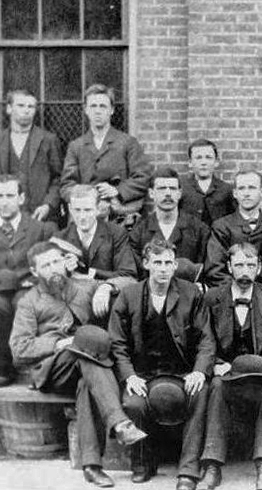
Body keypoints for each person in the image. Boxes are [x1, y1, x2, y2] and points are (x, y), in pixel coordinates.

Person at [10, 241, 146, 488]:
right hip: (54, 371)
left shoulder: (85, 288)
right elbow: (19, 349)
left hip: (89, 367)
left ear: (65, 261)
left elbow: (131, 282)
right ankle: (119, 422)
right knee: (88, 346)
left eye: (56, 261)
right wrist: (58, 344)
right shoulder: (29, 302)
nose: (53, 269)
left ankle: (92, 467)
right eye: (46, 265)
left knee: (87, 375)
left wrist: (106, 285)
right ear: (34, 271)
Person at [108, 239, 215, 490]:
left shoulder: (191, 293)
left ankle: (188, 470)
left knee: (200, 395)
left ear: (175, 265)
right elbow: (117, 343)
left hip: (182, 371)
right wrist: (130, 376)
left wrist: (199, 371)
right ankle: (143, 462)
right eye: (158, 263)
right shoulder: (129, 295)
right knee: (133, 402)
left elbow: (206, 339)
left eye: (169, 263)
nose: (164, 269)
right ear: (146, 265)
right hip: (143, 373)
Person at [197, 243, 262, 490]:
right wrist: (215, 364)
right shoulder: (212, 299)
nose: (244, 271)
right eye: (238, 265)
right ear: (228, 268)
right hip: (226, 372)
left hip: (260, 372)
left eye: (250, 265)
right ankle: (212, 465)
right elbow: (204, 340)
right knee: (215, 386)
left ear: (258, 268)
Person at [61, 84, 153, 225]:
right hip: (85, 218)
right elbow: (67, 186)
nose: (98, 111)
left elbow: (143, 178)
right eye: (93, 106)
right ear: (86, 110)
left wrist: (117, 191)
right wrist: (89, 195)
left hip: (119, 217)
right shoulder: (76, 146)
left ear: (112, 110)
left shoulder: (128, 143)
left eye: (103, 106)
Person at [0, 174, 56, 386]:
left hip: (31, 289)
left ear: (21, 198)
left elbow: (49, 261)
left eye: (9, 195)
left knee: (25, 303)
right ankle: (3, 368)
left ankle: (36, 370)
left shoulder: (39, 229)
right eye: (0, 196)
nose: (4, 201)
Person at [129, 167, 211, 283]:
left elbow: (206, 270)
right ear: (151, 193)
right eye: (162, 189)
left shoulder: (199, 230)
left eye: (172, 189)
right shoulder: (139, 232)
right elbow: (136, 273)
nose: (168, 193)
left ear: (179, 193)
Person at [204, 170, 262, 288]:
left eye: (252, 188)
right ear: (235, 193)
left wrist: (261, 292)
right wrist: (239, 288)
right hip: (231, 293)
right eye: (241, 188)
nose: (246, 193)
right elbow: (215, 269)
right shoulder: (222, 226)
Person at [0, 89, 62, 222]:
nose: (26, 110)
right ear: (9, 108)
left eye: (31, 106)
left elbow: (58, 179)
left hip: (39, 218)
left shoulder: (49, 140)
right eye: (21, 106)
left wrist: (48, 205)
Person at [54, 184, 138, 281]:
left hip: (107, 293)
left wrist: (91, 273)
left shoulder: (116, 234)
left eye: (87, 210)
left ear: (98, 209)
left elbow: (128, 275)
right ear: (70, 209)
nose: (82, 217)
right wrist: (65, 270)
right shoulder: (60, 239)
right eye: (77, 210)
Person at [180, 139, 236, 226]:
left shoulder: (227, 190)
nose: (203, 162)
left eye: (208, 157)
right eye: (198, 158)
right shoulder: (182, 189)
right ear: (190, 163)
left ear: (216, 162)